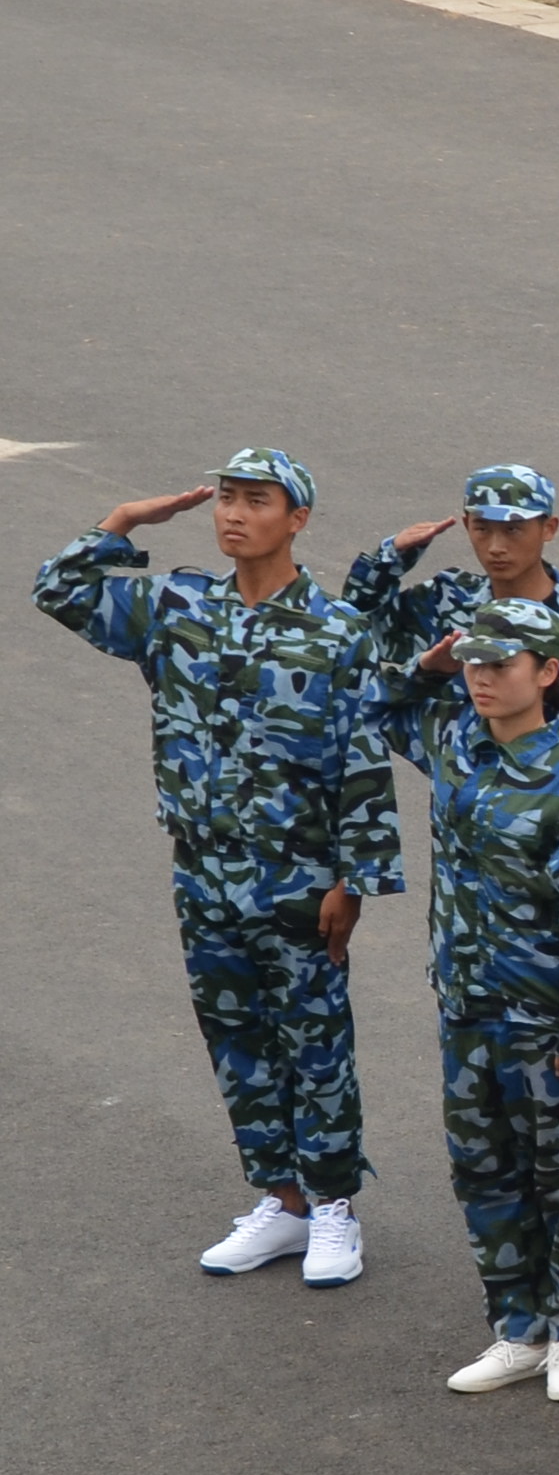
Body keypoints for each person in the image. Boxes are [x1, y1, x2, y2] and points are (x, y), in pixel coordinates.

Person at [38, 450, 400, 1287]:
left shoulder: (337, 630)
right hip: (203, 871)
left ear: (297, 518)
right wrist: (123, 523)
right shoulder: (177, 608)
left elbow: (362, 762)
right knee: (235, 1037)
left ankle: (336, 1206)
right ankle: (282, 1201)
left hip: (298, 876)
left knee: (314, 1042)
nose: (235, 514)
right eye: (227, 500)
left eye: (257, 501)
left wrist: (355, 881)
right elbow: (60, 591)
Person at [384, 601, 559, 1407]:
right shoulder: (458, 746)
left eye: (501, 664)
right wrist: (429, 664)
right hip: (467, 1005)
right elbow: (385, 706)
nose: (483, 678)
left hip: (547, 1021)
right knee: (484, 1173)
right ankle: (516, 1328)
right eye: (473, 664)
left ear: (546, 671)